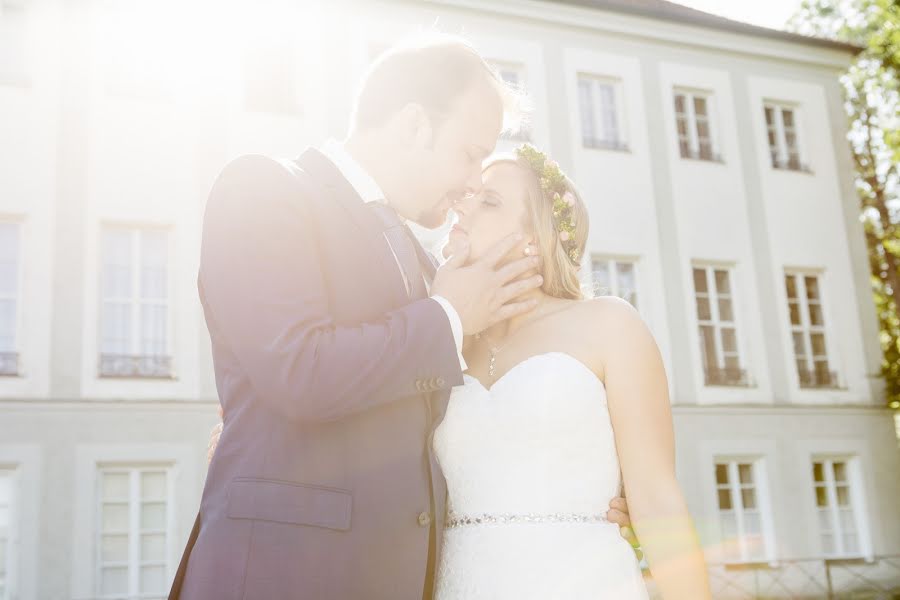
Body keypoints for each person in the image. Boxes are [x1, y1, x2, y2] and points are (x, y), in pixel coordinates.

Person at [172, 34, 636, 600]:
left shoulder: (424, 261)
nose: (473, 182)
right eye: (470, 154)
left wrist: (580, 493)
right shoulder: (265, 187)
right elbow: (297, 369)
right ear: (416, 125)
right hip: (282, 576)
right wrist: (448, 316)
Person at [431, 145, 712, 599]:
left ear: (534, 239)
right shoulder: (436, 339)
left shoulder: (610, 325)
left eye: (489, 200)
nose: (462, 204)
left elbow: (657, 500)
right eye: (468, 194)